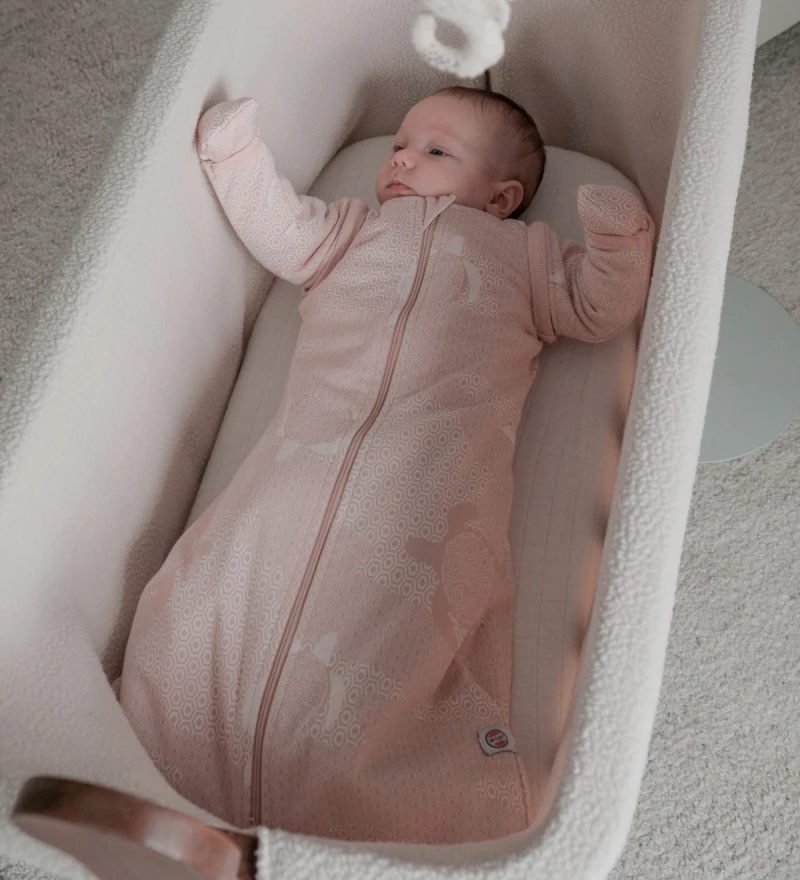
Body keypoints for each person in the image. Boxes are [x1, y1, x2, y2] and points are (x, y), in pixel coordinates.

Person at [118, 85, 654, 844]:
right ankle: (170, 740)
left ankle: (348, 781)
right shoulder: (351, 232)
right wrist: (236, 156)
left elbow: (598, 309)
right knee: (224, 574)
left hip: (429, 484)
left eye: (435, 151)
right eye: (400, 144)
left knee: (399, 623)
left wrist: (619, 243)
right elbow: (280, 228)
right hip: (306, 455)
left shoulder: (527, 260)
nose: (400, 159)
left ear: (501, 197)